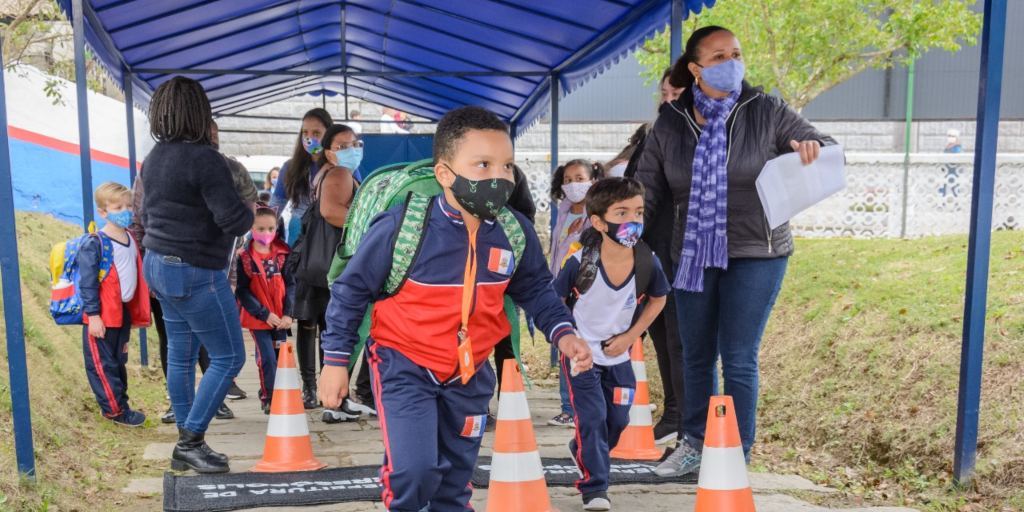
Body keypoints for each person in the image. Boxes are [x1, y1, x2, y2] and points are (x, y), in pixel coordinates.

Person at [318, 106, 593, 511]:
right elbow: (351, 289)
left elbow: (536, 289)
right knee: (413, 471)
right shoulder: (404, 226)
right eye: (483, 164)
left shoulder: (513, 232)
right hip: (403, 363)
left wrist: (564, 334)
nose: (499, 177)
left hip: (469, 372)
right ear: (445, 173)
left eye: (506, 166)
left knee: (454, 479)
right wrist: (336, 361)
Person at [635, 26, 836, 477]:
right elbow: (646, 188)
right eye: (719, 55)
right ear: (695, 67)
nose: (731, 61)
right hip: (692, 254)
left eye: (737, 53)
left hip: (757, 251)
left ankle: (735, 455)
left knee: (739, 355)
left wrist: (810, 148)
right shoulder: (671, 122)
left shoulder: (766, 110)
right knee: (695, 353)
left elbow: (826, 149)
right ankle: (694, 446)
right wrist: (623, 236)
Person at [141, 76, 254, 474]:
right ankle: (191, 440)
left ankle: (188, 443)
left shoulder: (155, 156)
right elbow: (235, 220)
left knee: (182, 354)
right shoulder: (206, 159)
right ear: (200, 113)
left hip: (157, 263)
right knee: (230, 355)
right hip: (193, 269)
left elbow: (143, 214)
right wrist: (250, 210)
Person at [554, 177, 669, 511]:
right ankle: (596, 489)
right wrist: (569, 339)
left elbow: (658, 300)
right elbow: (554, 301)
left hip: (618, 357)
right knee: (592, 417)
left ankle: (584, 450)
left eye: (638, 212)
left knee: (617, 421)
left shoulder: (648, 262)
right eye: (622, 213)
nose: (633, 221)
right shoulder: (579, 263)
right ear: (599, 222)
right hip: (582, 356)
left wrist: (631, 338)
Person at [270, 107, 333, 409]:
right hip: (300, 250)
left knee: (331, 321)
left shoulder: (340, 167)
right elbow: (274, 206)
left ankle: (329, 384)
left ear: (328, 135)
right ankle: (308, 387)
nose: (310, 138)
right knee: (306, 320)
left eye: (317, 133)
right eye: (305, 132)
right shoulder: (289, 168)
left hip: (333, 249)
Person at [80, 182, 151, 427]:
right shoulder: (96, 242)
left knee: (118, 362)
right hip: (102, 316)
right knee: (103, 364)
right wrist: (93, 315)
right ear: (103, 212)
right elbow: (88, 283)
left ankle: (122, 404)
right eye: (118, 207)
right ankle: (114, 411)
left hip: (122, 314)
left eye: (129, 206)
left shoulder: (131, 237)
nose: (126, 211)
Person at [309, 123, 365, 422]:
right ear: (329, 153)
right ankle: (335, 400)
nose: (351, 150)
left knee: (332, 329)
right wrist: (371, 229)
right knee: (345, 327)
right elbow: (331, 211)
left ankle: (337, 398)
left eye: (355, 143)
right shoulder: (340, 174)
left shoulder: (327, 173)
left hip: (325, 263)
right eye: (342, 146)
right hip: (339, 263)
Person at [547, 159, 604, 428]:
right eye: (567, 180)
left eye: (579, 178)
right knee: (565, 341)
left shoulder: (598, 214)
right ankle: (568, 407)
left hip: (585, 287)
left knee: (584, 344)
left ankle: (582, 405)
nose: (573, 185)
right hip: (560, 284)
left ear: (592, 180)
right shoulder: (564, 211)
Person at [236, 206, 294, 414]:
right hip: (259, 319)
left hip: (280, 318)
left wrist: (288, 313)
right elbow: (242, 291)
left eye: (271, 228)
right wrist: (263, 313)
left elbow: (291, 285)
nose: (266, 233)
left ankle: (282, 394)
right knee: (266, 358)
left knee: (281, 358)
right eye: (261, 229)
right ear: (251, 228)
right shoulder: (244, 257)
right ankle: (268, 396)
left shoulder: (283, 254)